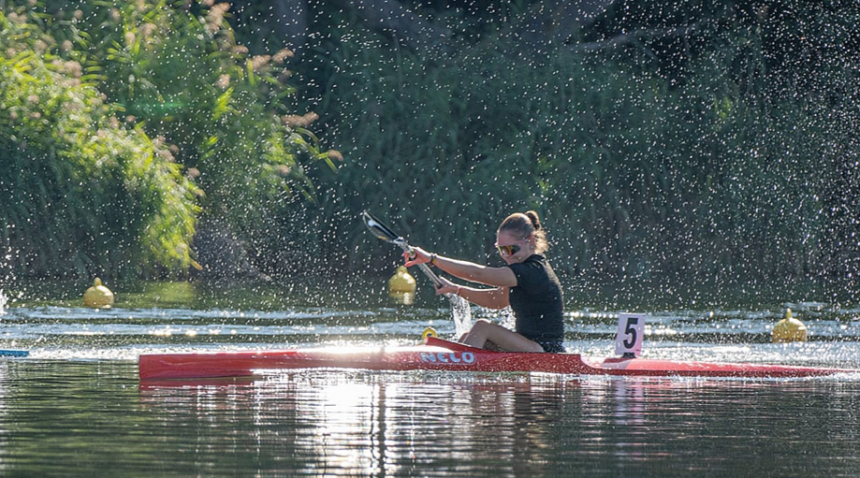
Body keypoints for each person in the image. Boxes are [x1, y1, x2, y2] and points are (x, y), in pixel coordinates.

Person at [404, 211, 565, 353]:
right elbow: (496, 300)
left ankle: (457, 369)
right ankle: (452, 366)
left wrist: (432, 259)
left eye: (510, 249)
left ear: (530, 240)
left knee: (482, 327)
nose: (506, 256)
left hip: (545, 350)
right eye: (501, 249)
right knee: (469, 335)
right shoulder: (521, 271)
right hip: (529, 346)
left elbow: (477, 274)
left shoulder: (533, 271)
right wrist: (456, 289)